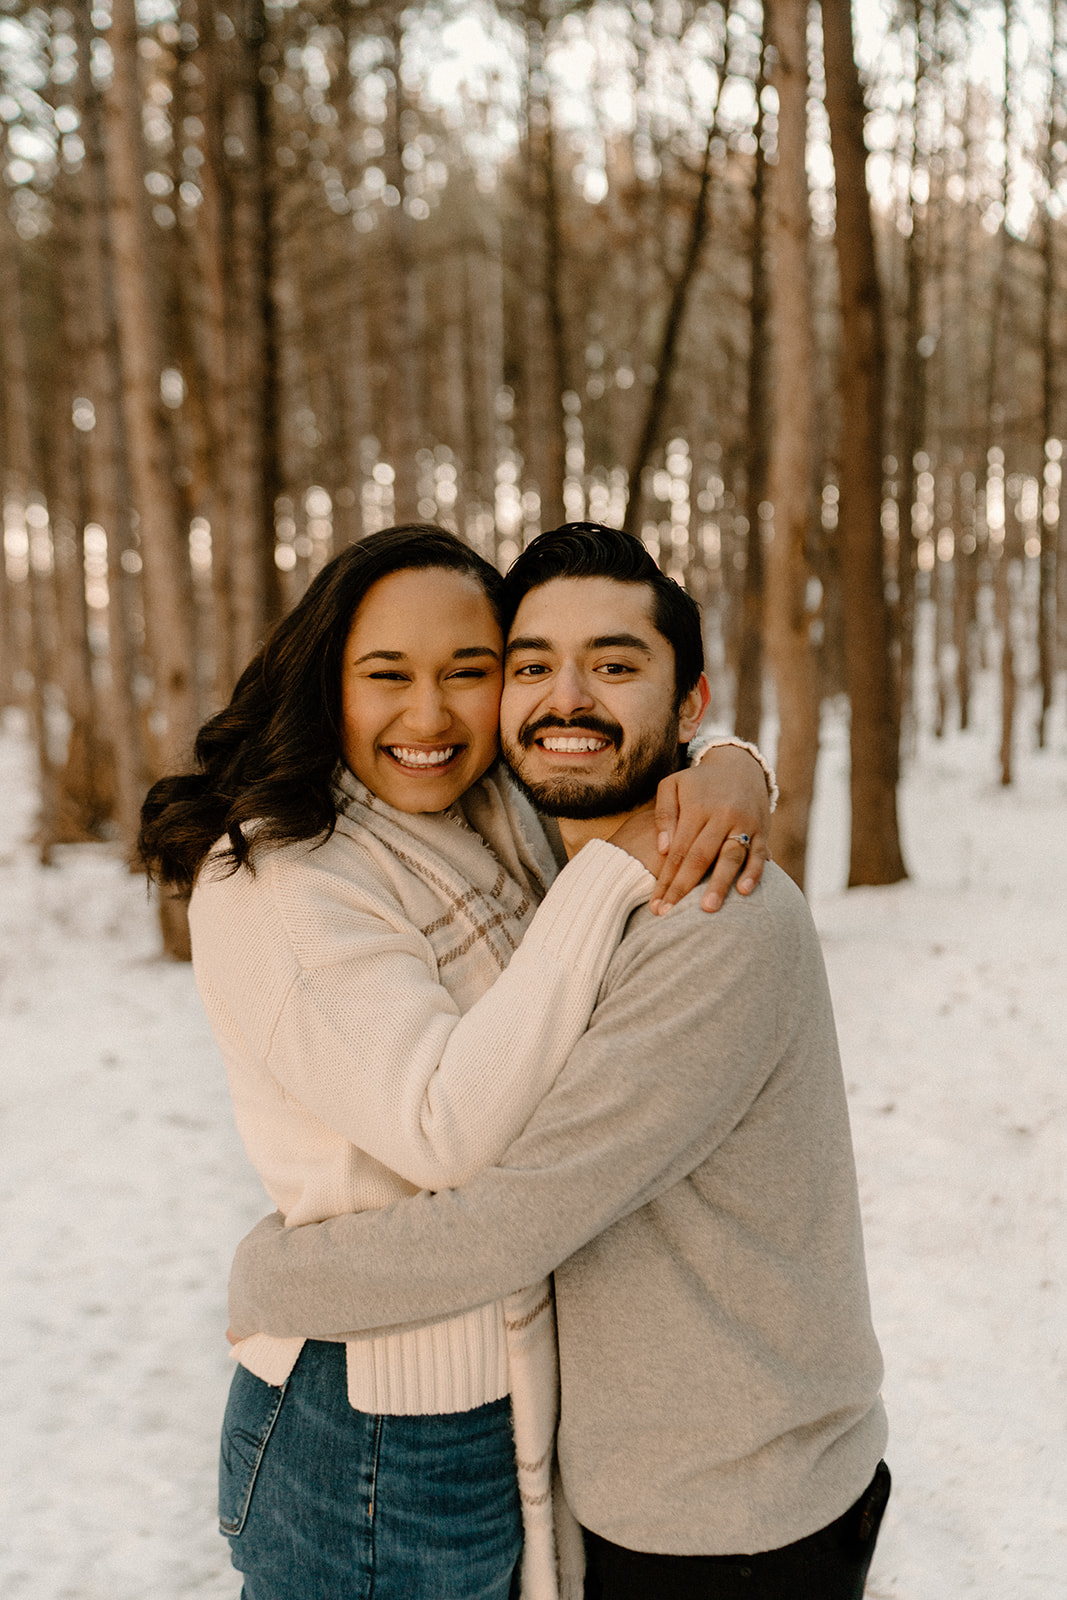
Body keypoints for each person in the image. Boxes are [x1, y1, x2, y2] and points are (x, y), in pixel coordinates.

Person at [228, 524, 891, 1600]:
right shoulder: (548, 848)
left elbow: (516, 1217)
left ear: (687, 703)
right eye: (530, 665)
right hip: (627, 1486)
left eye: (615, 665)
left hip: (732, 1515)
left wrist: (274, 1278)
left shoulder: (708, 918)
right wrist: (731, 765)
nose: (564, 698)